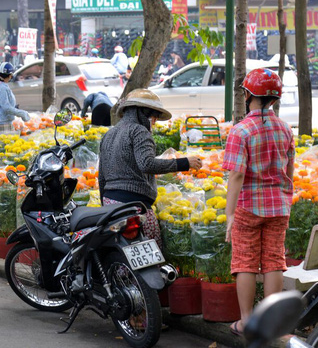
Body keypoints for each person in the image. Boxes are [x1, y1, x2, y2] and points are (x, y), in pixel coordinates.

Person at [222, 68, 295, 337]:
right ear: (274, 99)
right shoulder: (285, 129)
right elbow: (290, 171)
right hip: (279, 205)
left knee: (245, 262)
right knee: (275, 260)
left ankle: (246, 322)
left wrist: (230, 215)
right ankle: (272, 324)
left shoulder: (241, 131)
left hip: (249, 207)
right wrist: (285, 197)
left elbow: (237, 174)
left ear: (249, 95)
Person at [98, 89, 202, 248]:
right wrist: (184, 163)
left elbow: (102, 177)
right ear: (143, 113)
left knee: (119, 251)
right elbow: (147, 164)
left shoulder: (109, 134)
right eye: (153, 117)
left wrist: (104, 207)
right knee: (152, 251)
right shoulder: (139, 131)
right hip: (134, 205)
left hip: (110, 204)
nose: (154, 122)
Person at [0, 62, 30, 166]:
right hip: (2, 124)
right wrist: (21, 113)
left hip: (0, 122)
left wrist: (14, 109)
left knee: (0, 154)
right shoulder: (2, 88)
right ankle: (1, 178)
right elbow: (6, 107)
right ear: (10, 75)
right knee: (4, 156)